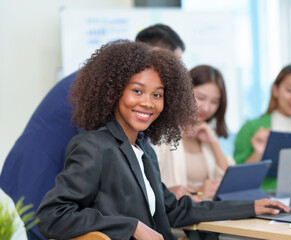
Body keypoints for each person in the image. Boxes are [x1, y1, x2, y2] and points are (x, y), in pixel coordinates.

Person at [36, 40, 290, 240]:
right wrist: (130, 226)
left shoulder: (145, 151)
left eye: (157, 95)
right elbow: (52, 216)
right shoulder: (94, 146)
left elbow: (175, 210)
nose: (148, 102)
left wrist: (251, 207)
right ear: (114, 92)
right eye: (137, 91)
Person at [0, 23, 185, 240]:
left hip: (52, 181)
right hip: (38, 179)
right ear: (153, 55)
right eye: (172, 63)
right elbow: (111, 159)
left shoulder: (111, 81)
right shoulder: (101, 87)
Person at [234, 64, 291, 191]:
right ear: (275, 90)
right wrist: (258, 153)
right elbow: (237, 179)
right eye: (289, 90)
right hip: (263, 201)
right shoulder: (251, 128)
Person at [152, 65, 233, 201]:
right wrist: (198, 193)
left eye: (214, 102)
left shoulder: (207, 135)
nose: (206, 108)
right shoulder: (162, 135)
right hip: (177, 219)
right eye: (200, 98)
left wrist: (214, 143)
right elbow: (155, 191)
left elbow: (230, 185)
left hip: (207, 217)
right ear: (184, 92)